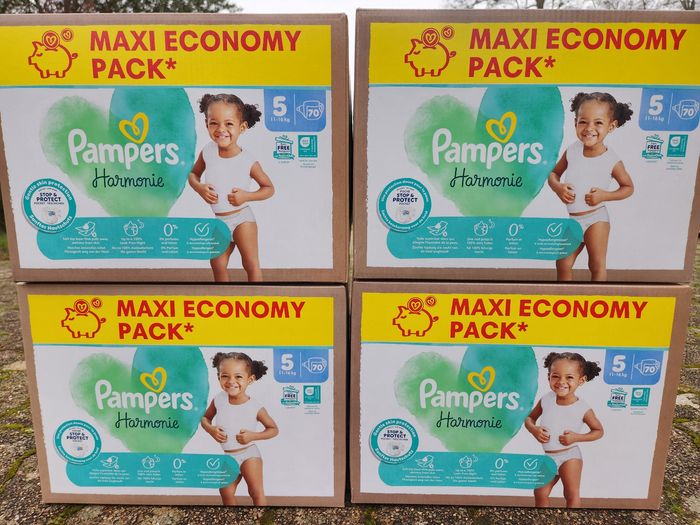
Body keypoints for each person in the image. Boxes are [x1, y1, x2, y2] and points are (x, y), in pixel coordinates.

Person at [548, 92, 634, 281]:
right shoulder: (572, 150)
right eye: (583, 122)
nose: (589, 128)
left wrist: (605, 195)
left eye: (598, 123)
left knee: (595, 264)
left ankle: (597, 297)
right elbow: (553, 174)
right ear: (575, 123)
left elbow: (628, 187)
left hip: (596, 219)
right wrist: (558, 187)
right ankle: (565, 297)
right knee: (562, 263)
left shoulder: (611, 159)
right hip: (574, 220)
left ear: (611, 126)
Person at [189, 93, 274, 282]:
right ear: (206, 124)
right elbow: (193, 174)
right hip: (220, 221)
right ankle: (224, 297)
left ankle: (256, 297)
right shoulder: (208, 151)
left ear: (242, 127)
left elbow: (269, 188)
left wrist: (246, 196)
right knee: (217, 263)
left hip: (242, 219)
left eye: (228, 124)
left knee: (250, 263)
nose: (221, 129)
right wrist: (200, 188)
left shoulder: (247, 160)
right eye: (214, 123)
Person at [525, 352, 604, 508]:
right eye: (555, 376)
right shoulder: (546, 399)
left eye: (569, 377)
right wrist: (534, 430)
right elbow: (529, 419)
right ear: (548, 377)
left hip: (570, 456)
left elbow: (598, 431)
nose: (561, 382)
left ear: (581, 380)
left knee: (570, 493)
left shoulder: (582, 408)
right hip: (549, 457)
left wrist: (576, 437)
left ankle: (572, 518)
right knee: (540, 492)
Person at [201, 352, 279, 506]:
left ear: (250, 379)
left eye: (238, 376)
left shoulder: (255, 406)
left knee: (255, 491)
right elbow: (205, 418)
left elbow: (273, 429)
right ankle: (232, 517)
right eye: (225, 376)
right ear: (218, 377)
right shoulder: (219, 399)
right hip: (229, 456)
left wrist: (253, 436)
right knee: (225, 491)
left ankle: (262, 517)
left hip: (249, 454)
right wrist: (211, 430)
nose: (231, 381)